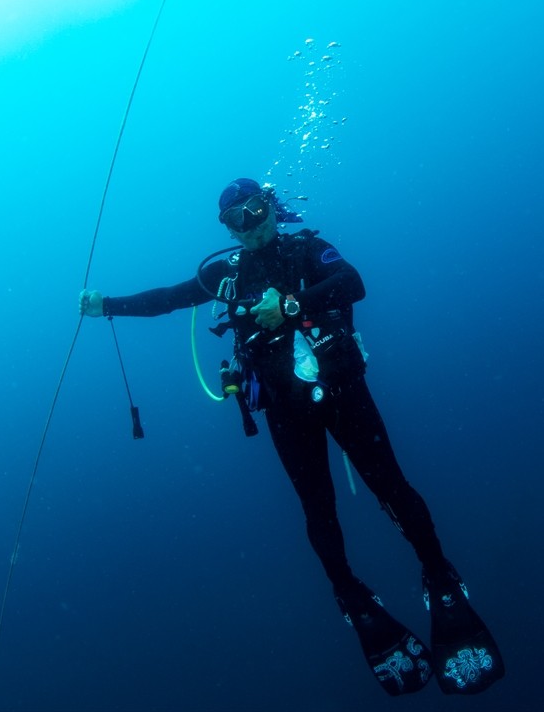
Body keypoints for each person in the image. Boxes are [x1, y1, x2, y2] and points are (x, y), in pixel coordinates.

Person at [79, 178, 504, 696]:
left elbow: (353, 282)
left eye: (256, 210)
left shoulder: (309, 249)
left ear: (272, 209)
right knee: (317, 509)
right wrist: (108, 306)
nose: (250, 224)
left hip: (344, 393)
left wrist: (292, 305)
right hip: (283, 410)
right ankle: (350, 595)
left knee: (393, 486)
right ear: (227, 228)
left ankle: (438, 574)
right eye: (237, 218)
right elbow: (169, 298)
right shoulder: (224, 273)